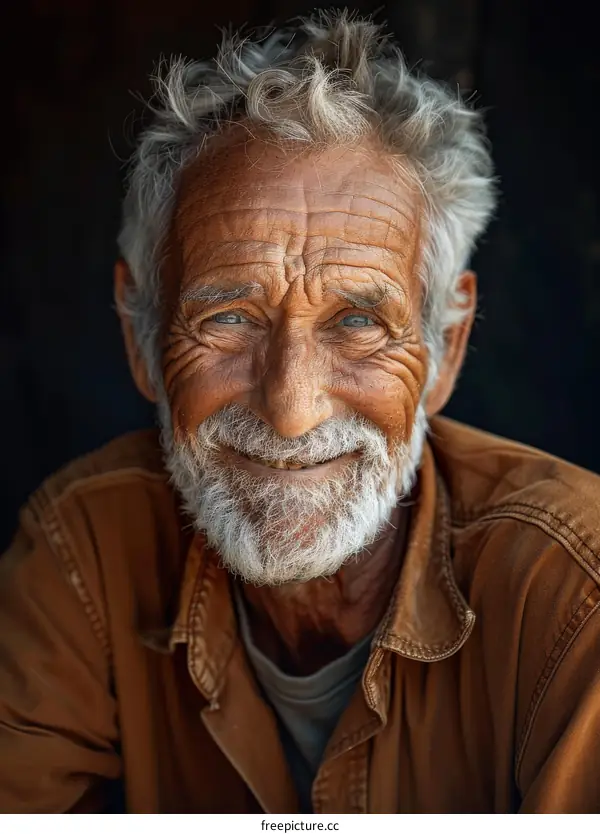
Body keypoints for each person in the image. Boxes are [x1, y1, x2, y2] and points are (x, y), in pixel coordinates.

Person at [2, 10, 600, 814]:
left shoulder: (577, 596)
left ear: (446, 349)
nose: (290, 410)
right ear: (142, 339)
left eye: (359, 322)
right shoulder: (87, 549)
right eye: (228, 319)